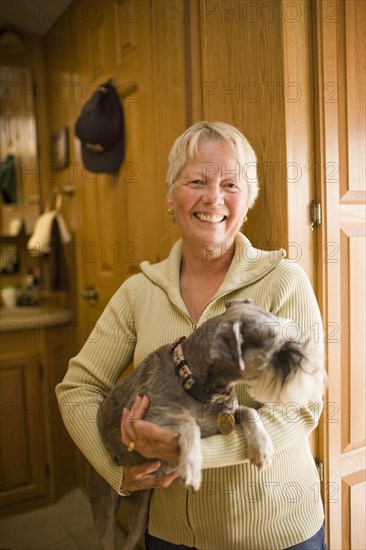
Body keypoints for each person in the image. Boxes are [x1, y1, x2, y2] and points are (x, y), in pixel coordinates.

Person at [56, 121, 326, 550]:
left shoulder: (283, 281)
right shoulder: (138, 292)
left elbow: (303, 410)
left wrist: (191, 454)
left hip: (274, 531)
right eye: (196, 181)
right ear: (170, 196)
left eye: (231, 184)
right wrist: (115, 471)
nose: (213, 198)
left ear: (249, 199)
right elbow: (77, 389)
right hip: (170, 537)